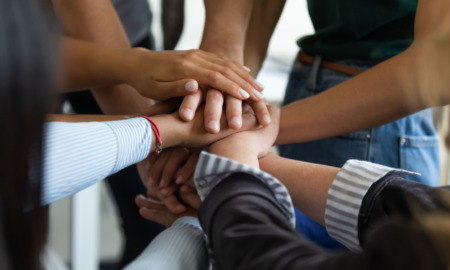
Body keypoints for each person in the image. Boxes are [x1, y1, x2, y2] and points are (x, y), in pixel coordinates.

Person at [165, 0, 443, 249]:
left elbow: (437, 65)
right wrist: (229, 98)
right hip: (310, 90)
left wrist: (251, 130)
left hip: (372, 115)